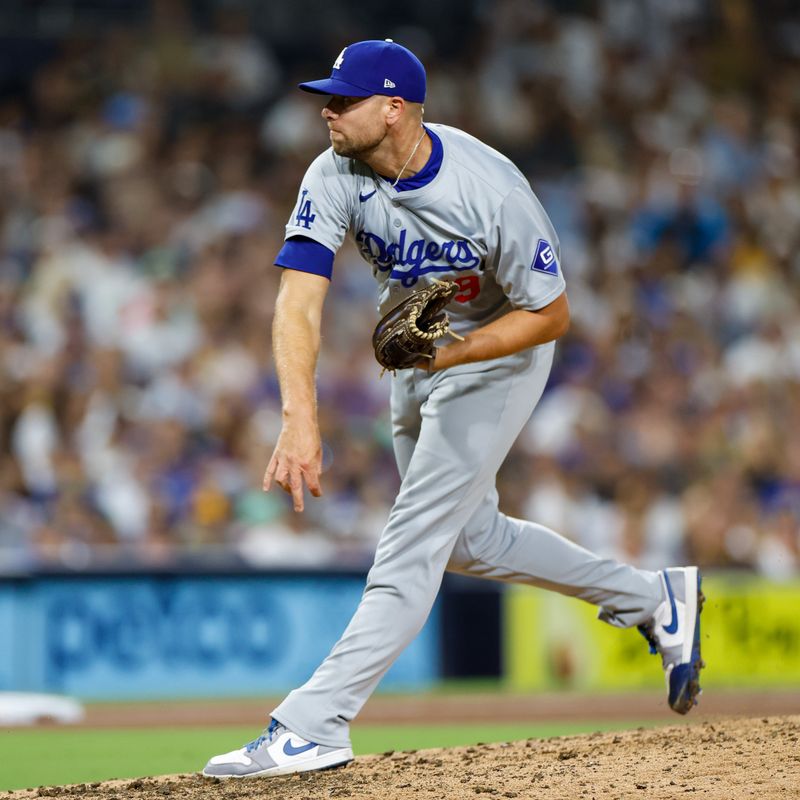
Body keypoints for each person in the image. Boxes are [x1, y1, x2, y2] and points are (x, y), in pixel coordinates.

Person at [202, 39, 704, 779]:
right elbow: (298, 299)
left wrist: (458, 356)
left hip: (499, 352)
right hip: (416, 350)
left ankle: (315, 724)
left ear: (395, 108)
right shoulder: (334, 169)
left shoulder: (488, 188)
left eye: (344, 99)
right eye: (327, 98)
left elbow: (554, 313)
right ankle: (651, 598)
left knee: (414, 541)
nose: (328, 111)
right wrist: (297, 416)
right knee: (470, 542)